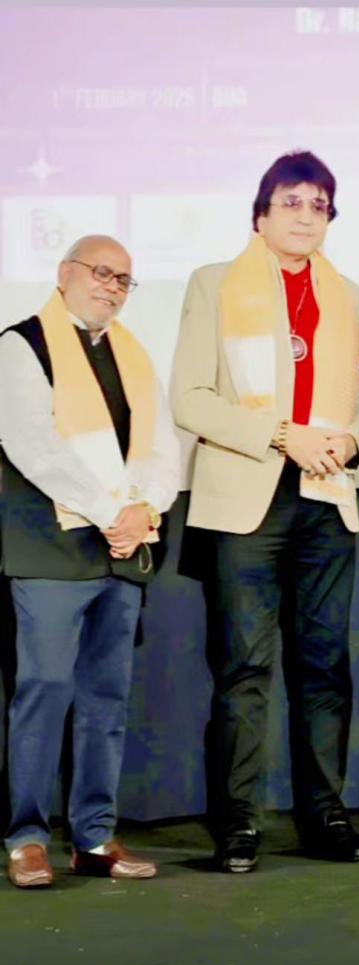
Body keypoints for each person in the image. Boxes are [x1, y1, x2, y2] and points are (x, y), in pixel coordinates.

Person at [171, 150, 359, 871]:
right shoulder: (214, 284)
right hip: (245, 500)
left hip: (327, 497)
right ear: (260, 214)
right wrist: (283, 434)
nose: (306, 215)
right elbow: (190, 399)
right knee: (245, 669)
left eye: (320, 204)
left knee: (325, 667)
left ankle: (325, 815)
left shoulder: (350, 295)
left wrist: (350, 440)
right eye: (292, 201)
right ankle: (238, 823)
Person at [0, 235, 180, 888]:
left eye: (124, 279)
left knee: (107, 700)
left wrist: (144, 511)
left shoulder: (133, 352)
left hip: (123, 551)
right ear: (64, 273)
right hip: (51, 550)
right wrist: (113, 512)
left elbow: (163, 446)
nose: (112, 287)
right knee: (43, 691)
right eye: (101, 273)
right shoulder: (21, 344)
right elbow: (33, 445)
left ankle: (94, 835)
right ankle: (25, 838)